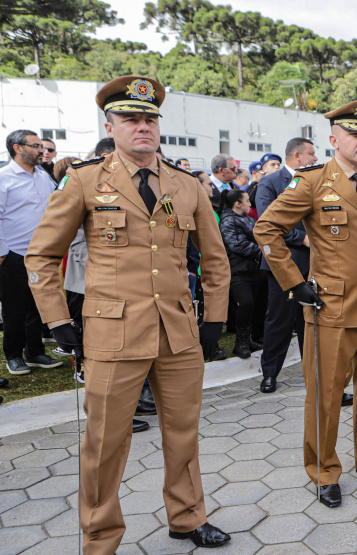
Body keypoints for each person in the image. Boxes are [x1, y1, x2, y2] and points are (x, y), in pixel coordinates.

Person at [25, 75, 233, 552]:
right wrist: (58, 320)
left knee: (183, 434)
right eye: (130, 119)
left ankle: (187, 517)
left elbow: (215, 258)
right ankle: (100, 538)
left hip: (178, 331)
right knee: (104, 443)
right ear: (110, 125)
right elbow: (39, 256)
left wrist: (214, 319)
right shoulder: (84, 179)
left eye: (149, 119)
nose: (142, 127)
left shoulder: (185, 184)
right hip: (112, 334)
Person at [254, 99, 357, 508]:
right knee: (325, 396)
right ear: (333, 139)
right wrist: (295, 283)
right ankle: (324, 469)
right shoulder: (311, 181)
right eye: (355, 134)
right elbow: (266, 229)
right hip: (331, 310)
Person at [0, 129, 64, 376]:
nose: (42, 150)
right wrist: (3, 252)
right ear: (18, 148)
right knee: (15, 309)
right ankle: (14, 355)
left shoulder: (42, 176)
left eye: (43, 146)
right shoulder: (4, 177)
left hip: (43, 253)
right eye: (36, 146)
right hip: (14, 253)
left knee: (40, 303)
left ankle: (35, 352)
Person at [255, 138, 315, 393]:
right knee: (279, 320)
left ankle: (314, 373)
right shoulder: (270, 182)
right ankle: (270, 373)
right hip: (283, 263)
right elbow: (266, 222)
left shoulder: (314, 181)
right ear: (298, 156)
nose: (315, 158)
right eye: (311, 153)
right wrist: (301, 237)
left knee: (310, 322)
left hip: (313, 263)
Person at [219, 189, 262, 358]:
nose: (250, 204)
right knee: (246, 303)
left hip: (253, 270)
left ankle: (246, 341)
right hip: (238, 271)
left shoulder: (247, 219)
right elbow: (237, 245)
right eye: (247, 201)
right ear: (237, 203)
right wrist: (264, 251)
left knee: (251, 306)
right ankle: (241, 343)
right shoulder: (228, 221)